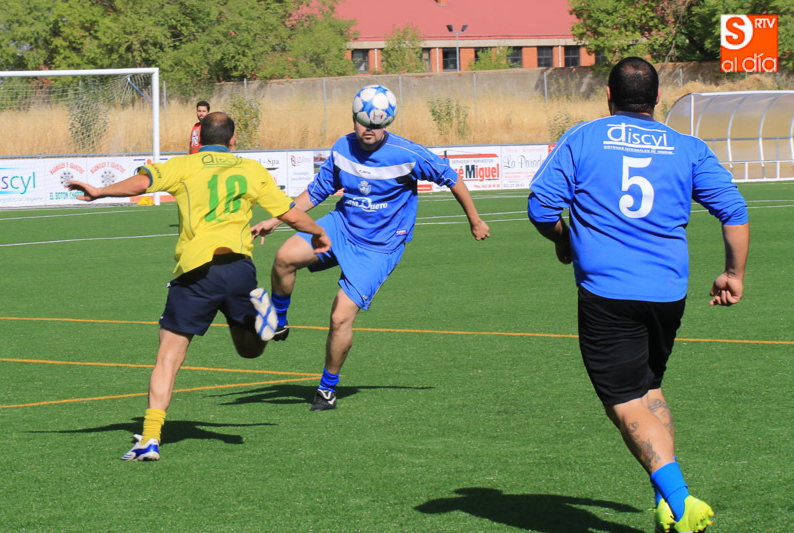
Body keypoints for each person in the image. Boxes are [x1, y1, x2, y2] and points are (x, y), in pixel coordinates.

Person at [527, 57, 749, 533]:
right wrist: (734, 274)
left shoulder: (583, 137)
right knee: (649, 391)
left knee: (625, 402)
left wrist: (564, 239)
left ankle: (682, 502)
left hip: (608, 293)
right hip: (667, 293)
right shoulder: (688, 147)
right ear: (657, 99)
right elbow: (733, 210)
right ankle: (664, 501)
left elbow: (541, 207)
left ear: (608, 95)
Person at [67, 112, 331, 461]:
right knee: (249, 351)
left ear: (198, 138)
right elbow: (289, 213)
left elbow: (141, 184)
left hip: (196, 272)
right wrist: (318, 232)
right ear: (233, 140)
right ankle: (265, 323)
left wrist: (100, 191)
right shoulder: (252, 170)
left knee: (168, 356)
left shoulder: (183, 166)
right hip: (239, 270)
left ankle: (150, 438)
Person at [251, 85, 490, 412]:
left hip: (378, 248)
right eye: (364, 122)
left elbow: (451, 178)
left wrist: (475, 220)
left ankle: (327, 388)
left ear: (387, 123)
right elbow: (317, 191)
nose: (369, 130)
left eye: (377, 125)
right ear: (354, 119)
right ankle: (279, 320)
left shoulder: (407, 154)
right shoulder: (342, 148)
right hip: (341, 227)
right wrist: (276, 219)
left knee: (340, 317)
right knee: (284, 257)